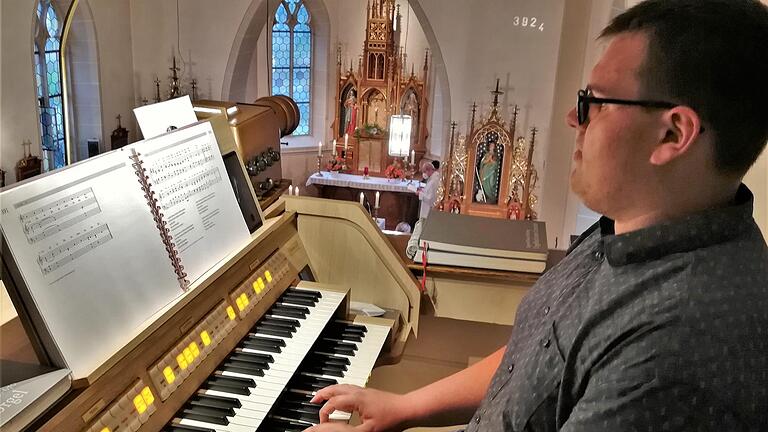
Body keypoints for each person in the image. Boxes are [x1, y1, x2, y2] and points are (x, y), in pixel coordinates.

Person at [306, 0, 768, 430]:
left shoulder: (675, 350)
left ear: (673, 133)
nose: (573, 117)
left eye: (595, 102)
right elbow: (536, 358)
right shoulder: (627, 231)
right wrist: (404, 407)